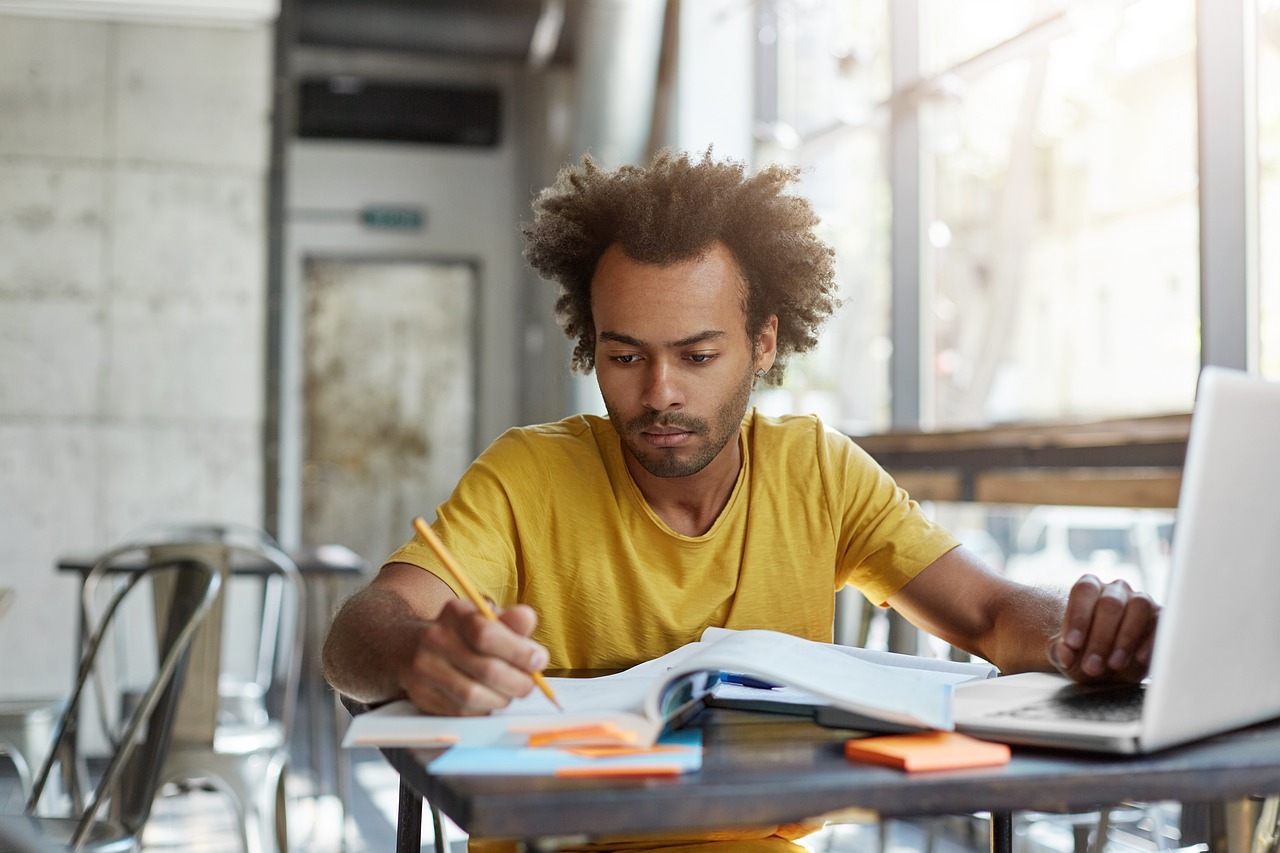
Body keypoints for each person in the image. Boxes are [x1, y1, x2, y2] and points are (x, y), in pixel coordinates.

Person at [322, 149, 1159, 852]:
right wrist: (419, 651)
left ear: (764, 343)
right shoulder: (529, 476)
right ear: (592, 344)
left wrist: (1085, 631)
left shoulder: (818, 472)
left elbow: (991, 614)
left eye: (696, 354)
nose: (659, 393)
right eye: (625, 357)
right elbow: (357, 634)